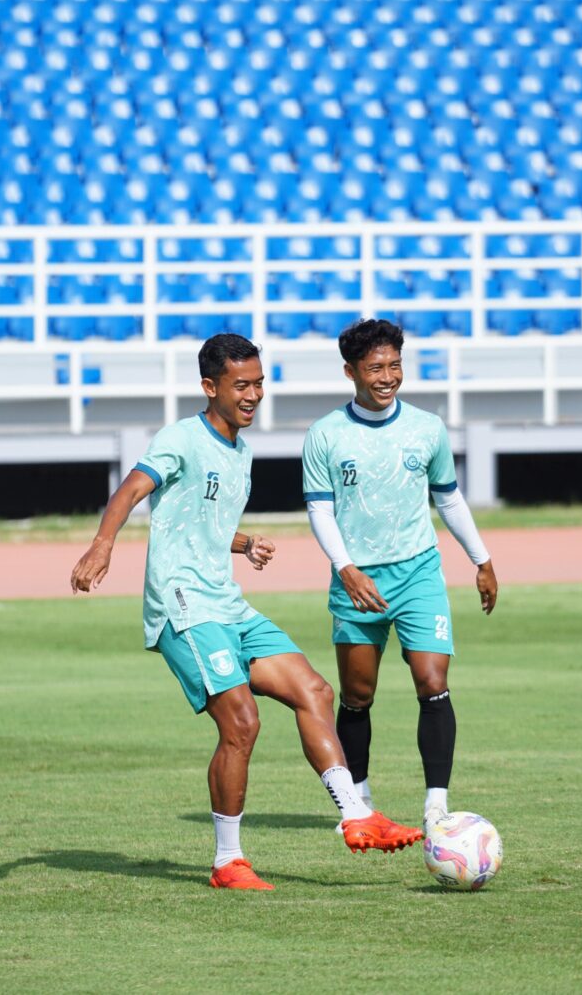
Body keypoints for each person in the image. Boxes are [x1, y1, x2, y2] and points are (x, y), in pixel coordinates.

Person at [71, 333, 422, 891]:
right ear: (210, 387)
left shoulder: (241, 451)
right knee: (241, 722)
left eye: (259, 383)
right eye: (241, 385)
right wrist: (102, 544)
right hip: (184, 606)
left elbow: (198, 520)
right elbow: (132, 490)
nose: (254, 394)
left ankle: (357, 814)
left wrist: (243, 543)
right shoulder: (182, 438)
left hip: (226, 603)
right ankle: (227, 861)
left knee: (314, 690)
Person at [302, 318, 498, 835]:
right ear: (351, 372)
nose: (387, 377)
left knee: (433, 682)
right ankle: (359, 803)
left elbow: (448, 499)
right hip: (357, 582)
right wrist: (346, 569)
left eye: (394, 365)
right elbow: (320, 510)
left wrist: (481, 559)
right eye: (375, 368)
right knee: (357, 695)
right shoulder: (325, 434)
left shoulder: (427, 428)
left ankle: (437, 806)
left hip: (418, 574)